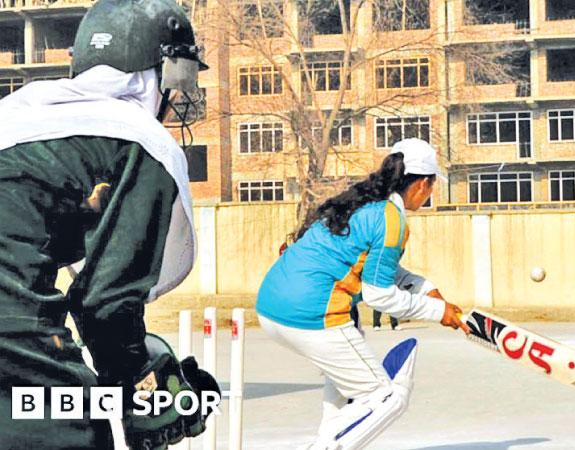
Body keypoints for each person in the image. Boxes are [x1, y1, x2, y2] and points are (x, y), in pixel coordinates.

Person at [0, 0, 219, 448]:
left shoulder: (18, 112)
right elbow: (105, 302)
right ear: (159, 71)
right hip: (12, 330)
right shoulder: (138, 139)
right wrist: (142, 387)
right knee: (69, 428)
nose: (178, 93)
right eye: (179, 77)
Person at [256, 138, 468, 450]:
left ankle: (328, 440)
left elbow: (372, 264)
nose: (431, 193)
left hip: (272, 308)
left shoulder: (361, 204)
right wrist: (439, 312)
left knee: (346, 388)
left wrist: (424, 288)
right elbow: (379, 295)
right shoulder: (391, 219)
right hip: (313, 314)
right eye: (433, 186)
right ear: (423, 184)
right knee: (386, 397)